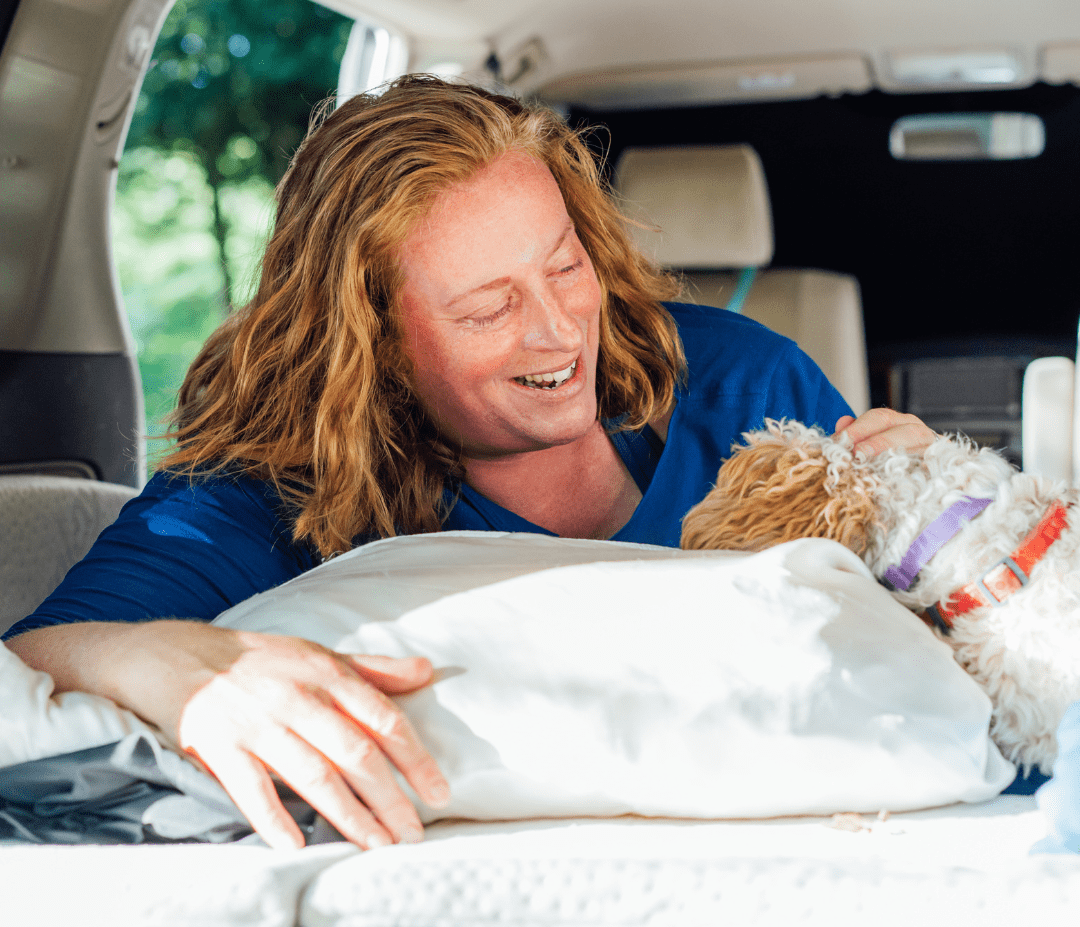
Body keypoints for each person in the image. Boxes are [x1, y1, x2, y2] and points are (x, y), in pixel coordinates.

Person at [5, 76, 934, 851]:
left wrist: (944, 524)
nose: (558, 329)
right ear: (372, 342)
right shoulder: (271, 489)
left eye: (565, 267)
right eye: (488, 309)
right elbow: (32, 662)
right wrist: (190, 667)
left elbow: (893, 629)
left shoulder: (741, 376)